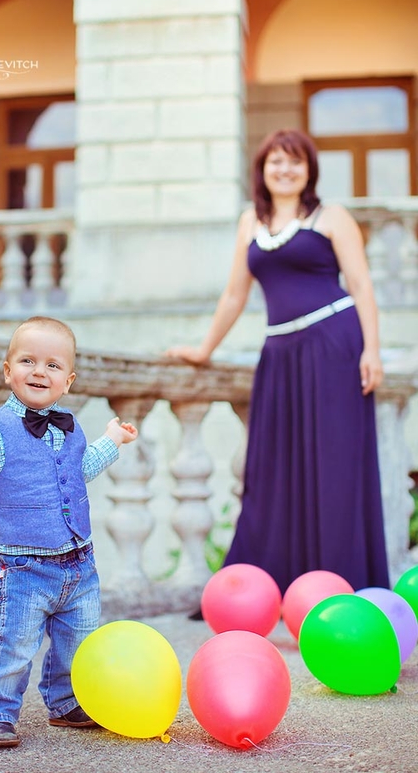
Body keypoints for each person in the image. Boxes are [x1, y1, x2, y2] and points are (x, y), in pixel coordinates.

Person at [166, 128, 390, 605]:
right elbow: (235, 295)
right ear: (262, 169)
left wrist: (372, 350)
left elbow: (361, 285)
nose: (285, 169)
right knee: (271, 472)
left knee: (335, 466)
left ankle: (342, 591)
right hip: (280, 356)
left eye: (295, 161)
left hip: (334, 347)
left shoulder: (331, 217)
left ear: (309, 170)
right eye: (276, 161)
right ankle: (271, 591)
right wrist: (204, 349)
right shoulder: (251, 220)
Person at [0, 316, 138, 749]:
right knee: (15, 645)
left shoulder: (69, 424)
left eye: (53, 365)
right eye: (28, 361)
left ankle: (66, 702)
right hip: (25, 567)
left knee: (77, 640)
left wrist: (112, 439)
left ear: (68, 381)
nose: (39, 371)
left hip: (79, 562)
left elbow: (82, 469)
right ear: (8, 371)